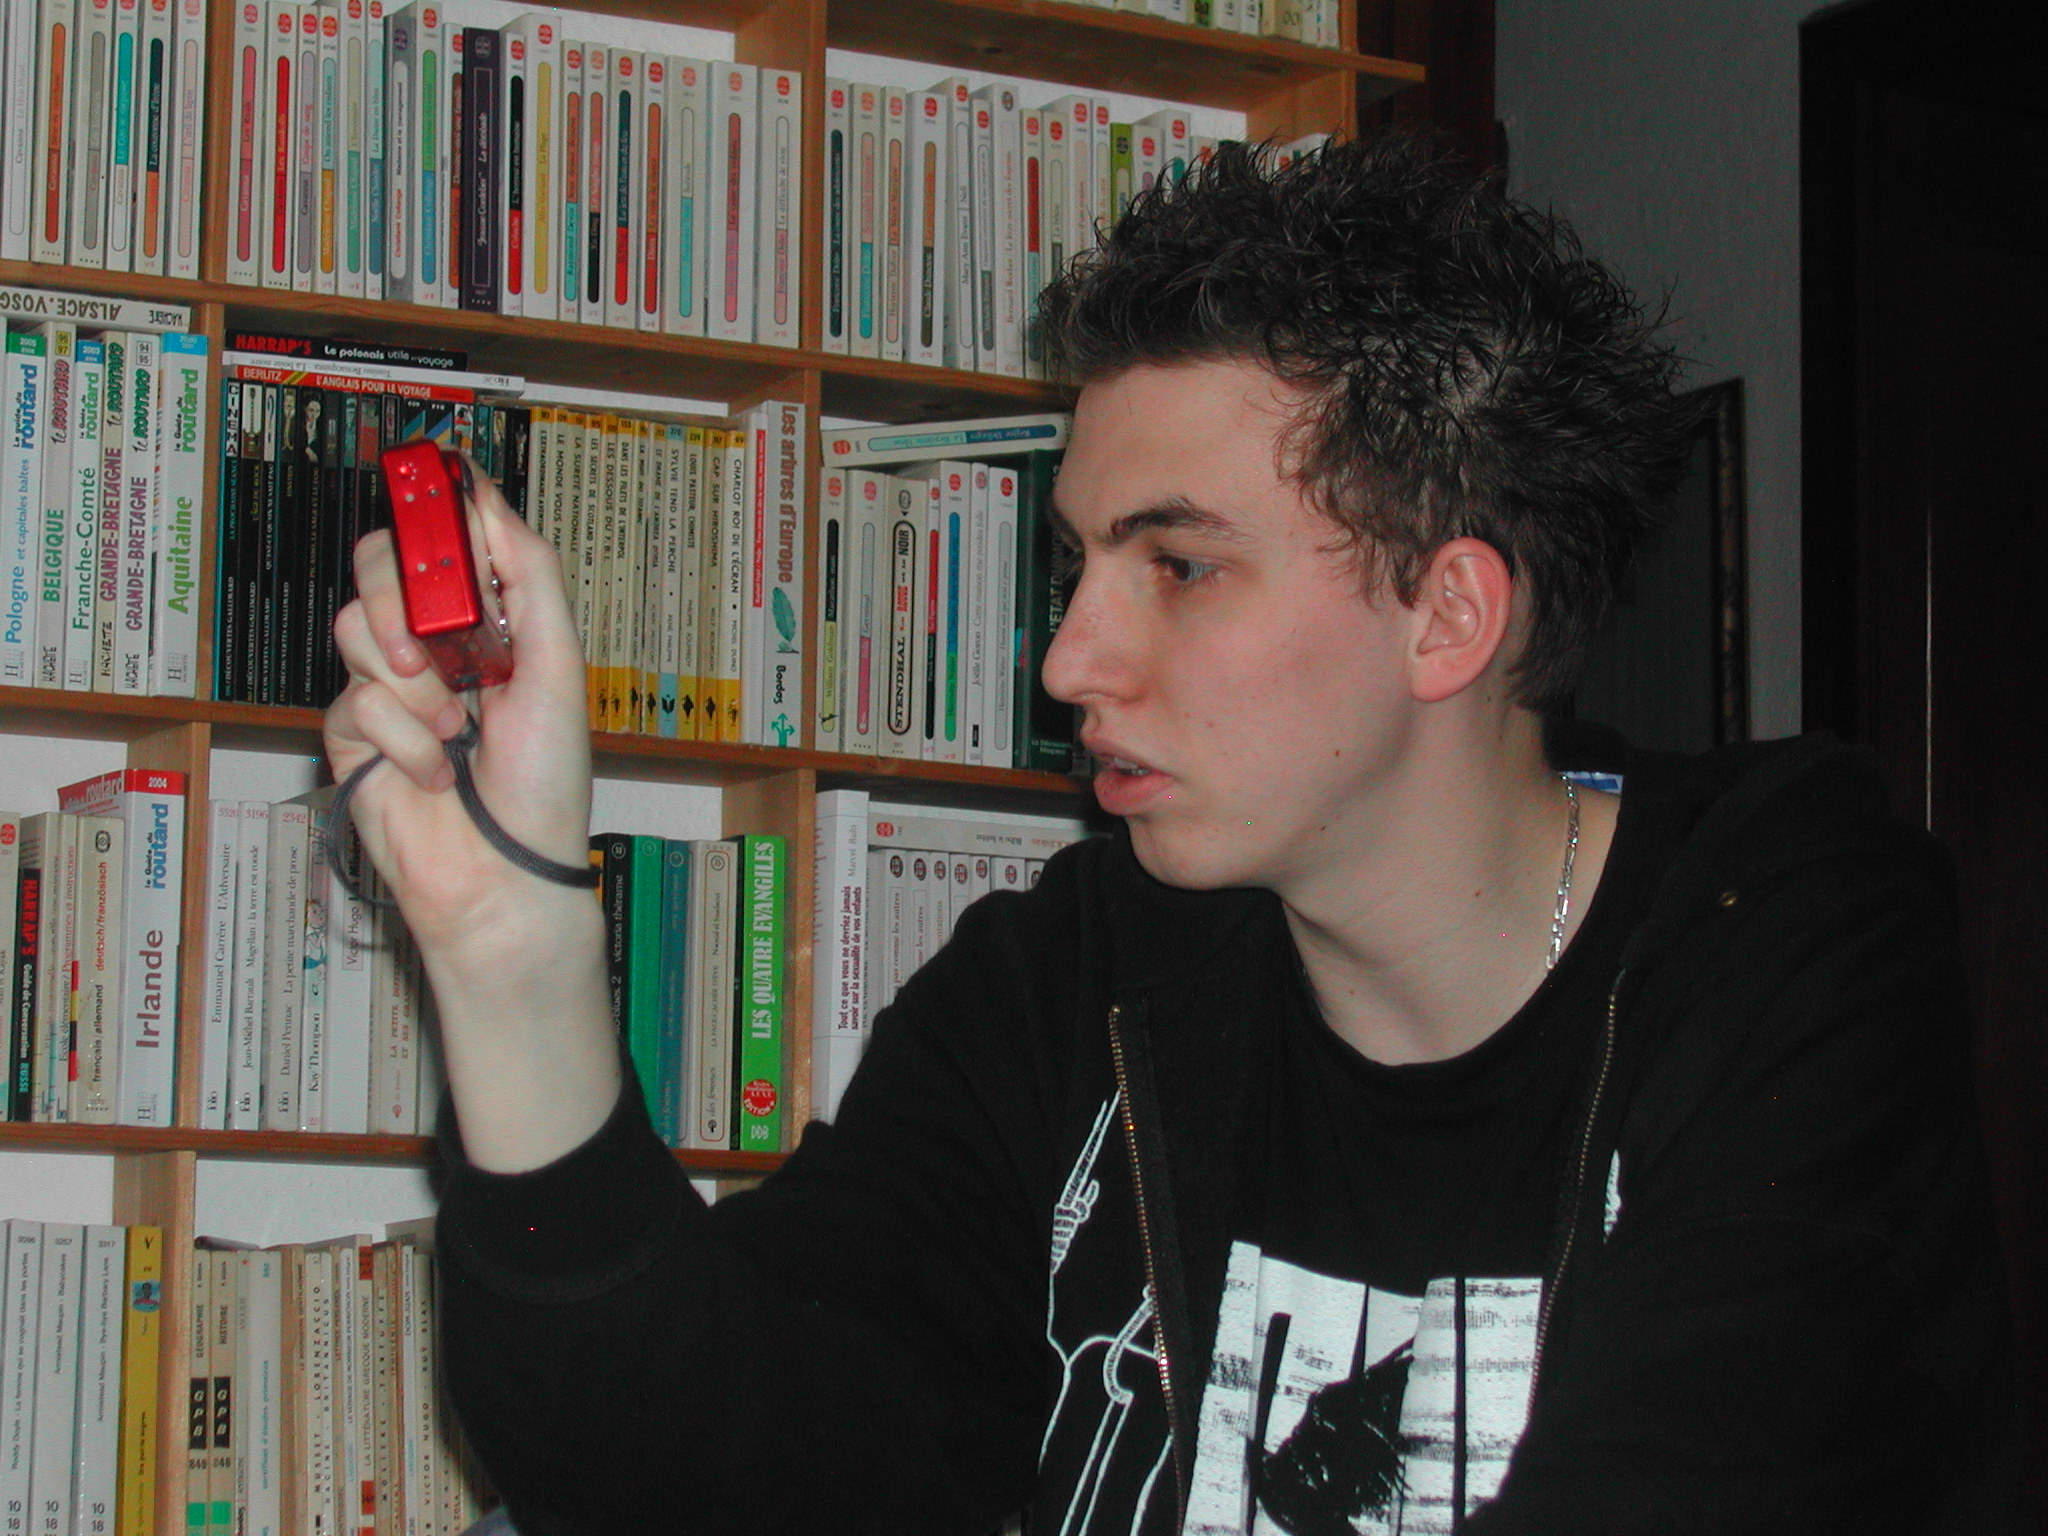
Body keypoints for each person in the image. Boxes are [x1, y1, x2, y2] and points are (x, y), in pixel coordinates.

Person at [325, 134, 2015, 1535]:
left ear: (1447, 615)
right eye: (1081, 564)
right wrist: (508, 951)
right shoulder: (1071, 983)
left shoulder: (1792, 952)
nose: (1069, 661)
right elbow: (687, 1469)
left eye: (1180, 566)